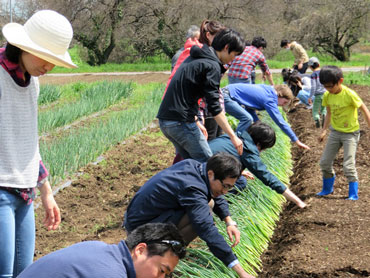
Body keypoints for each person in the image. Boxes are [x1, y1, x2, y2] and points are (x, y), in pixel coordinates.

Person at [0, 10, 77, 277]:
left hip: (25, 192)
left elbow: (29, 140)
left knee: (25, 272)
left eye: (54, 61)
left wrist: (46, 190)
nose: (48, 67)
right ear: (23, 47)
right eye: (45, 58)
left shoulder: (32, 84)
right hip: (1, 190)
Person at [124, 153, 256, 278]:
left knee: (208, 204)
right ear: (211, 174)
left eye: (229, 188)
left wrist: (229, 221)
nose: (225, 191)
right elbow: (206, 228)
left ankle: (168, 249)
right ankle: (164, 255)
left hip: (146, 217)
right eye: (225, 186)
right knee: (199, 220)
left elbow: (216, 194)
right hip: (140, 229)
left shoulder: (195, 167)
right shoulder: (193, 188)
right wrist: (240, 271)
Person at [157, 28, 245, 163]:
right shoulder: (212, 65)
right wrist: (233, 136)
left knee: (190, 165)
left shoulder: (198, 57)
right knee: (209, 165)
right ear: (226, 47)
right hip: (181, 122)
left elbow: (187, 93)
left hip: (166, 120)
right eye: (235, 54)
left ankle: (179, 183)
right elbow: (215, 107)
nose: (233, 59)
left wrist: (196, 120)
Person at [17, 223, 186, 278]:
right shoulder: (110, 273)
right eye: (161, 271)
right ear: (140, 250)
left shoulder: (100, 249)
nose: (161, 277)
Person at [208, 122, 307, 208]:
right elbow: (267, 177)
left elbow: (225, 155)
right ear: (259, 144)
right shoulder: (248, 150)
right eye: (264, 149)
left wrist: (241, 171)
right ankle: (216, 202)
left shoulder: (236, 136)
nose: (261, 152)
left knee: (239, 177)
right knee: (241, 183)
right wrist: (298, 201)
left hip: (200, 164)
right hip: (207, 172)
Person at [318, 66, 370, 200]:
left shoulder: (350, 94)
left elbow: (364, 110)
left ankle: (353, 193)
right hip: (335, 132)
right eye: (325, 87)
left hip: (350, 134)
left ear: (340, 81)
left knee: (348, 164)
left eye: (330, 86)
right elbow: (328, 113)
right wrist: (324, 130)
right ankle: (327, 188)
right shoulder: (327, 95)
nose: (328, 89)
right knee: (324, 162)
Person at [221, 83, 310, 150]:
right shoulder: (270, 99)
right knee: (247, 119)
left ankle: (240, 142)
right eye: (284, 102)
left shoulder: (268, 90)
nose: (282, 105)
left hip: (226, 93)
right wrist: (296, 140)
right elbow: (280, 122)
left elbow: (249, 107)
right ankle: (235, 144)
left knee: (250, 120)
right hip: (225, 96)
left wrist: (258, 125)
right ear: (280, 95)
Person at [307, 57, 327, 128]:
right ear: (319, 64)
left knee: (315, 110)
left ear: (310, 67)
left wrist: (310, 97)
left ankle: (317, 119)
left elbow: (313, 87)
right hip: (325, 94)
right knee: (324, 108)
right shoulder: (324, 73)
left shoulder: (313, 75)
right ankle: (324, 115)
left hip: (318, 95)